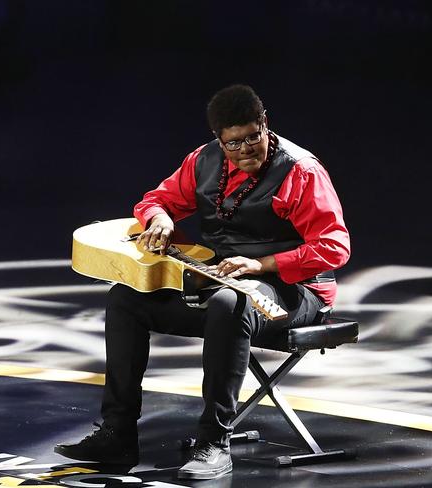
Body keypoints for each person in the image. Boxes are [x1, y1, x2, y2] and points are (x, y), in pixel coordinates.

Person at [55, 84, 350, 480]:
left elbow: (334, 247)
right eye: (233, 143)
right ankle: (117, 433)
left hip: (296, 290)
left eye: (253, 137)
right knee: (126, 298)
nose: (245, 149)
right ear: (218, 139)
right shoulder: (204, 161)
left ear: (265, 124)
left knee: (231, 305)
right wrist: (158, 217)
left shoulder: (301, 170)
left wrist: (263, 263)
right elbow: (155, 200)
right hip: (219, 279)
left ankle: (214, 441)